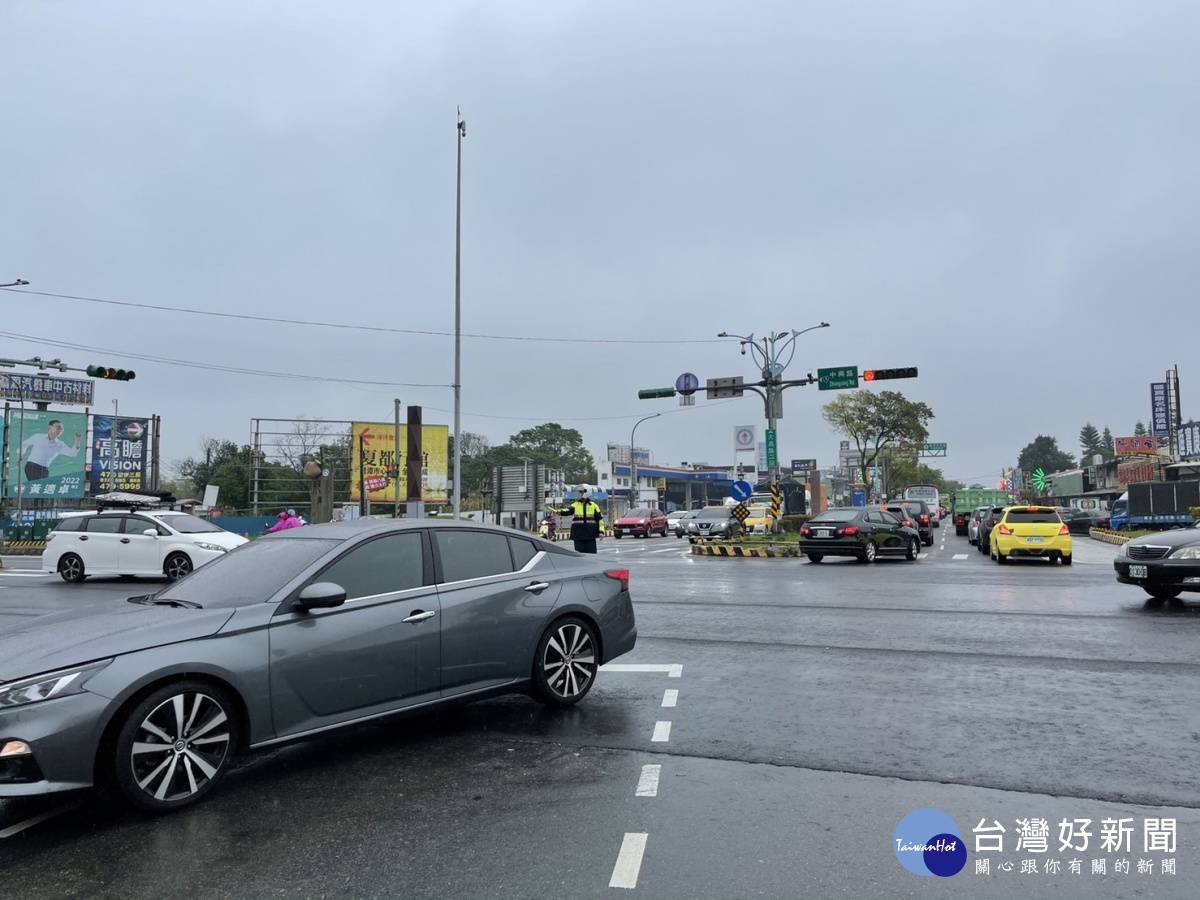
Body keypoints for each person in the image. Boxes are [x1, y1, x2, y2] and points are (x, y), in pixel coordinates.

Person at [557, 488, 605, 553]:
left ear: (585, 494)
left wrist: (601, 531)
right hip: (578, 535)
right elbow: (568, 510)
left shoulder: (594, 506)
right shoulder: (575, 505)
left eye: (580, 493)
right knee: (579, 556)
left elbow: (600, 520)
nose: (578, 495)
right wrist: (561, 512)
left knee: (592, 556)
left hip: (590, 536)